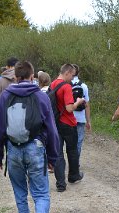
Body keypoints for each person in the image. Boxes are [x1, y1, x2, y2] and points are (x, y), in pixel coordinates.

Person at [0, 61, 60, 213]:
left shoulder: (6, 96)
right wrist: (53, 158)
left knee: (20, 191)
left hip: (13, 149)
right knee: (41, 192)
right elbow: (51, 130)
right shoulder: (41, 96)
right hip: (35, 148)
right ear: (32, 77)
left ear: (15, 77)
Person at [49, 64, 84, 192]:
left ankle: (60, 184)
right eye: (72, 75)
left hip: (55, 122)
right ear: (67, 73)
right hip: (68, 123)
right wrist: (78, 102)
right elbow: (69, 108)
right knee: (72, 150)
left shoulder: (52, 84)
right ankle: (73, 176)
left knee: (58, 153)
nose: (72, 78)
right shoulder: (66, 86)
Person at [71, 65, 90, 170]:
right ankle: (75, 163)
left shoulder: (66, 85)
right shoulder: (84, 86)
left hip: (68, 117)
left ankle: (68, 160)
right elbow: (87, 105)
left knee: (69, 141)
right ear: (79, 72)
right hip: (80, 118)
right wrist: (88, 121)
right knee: (78, 142)